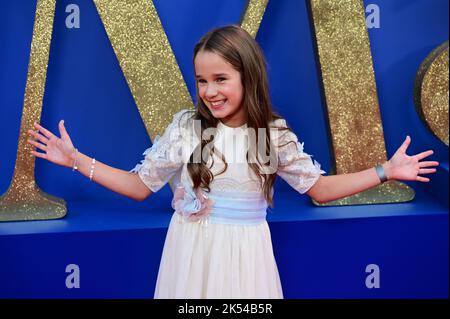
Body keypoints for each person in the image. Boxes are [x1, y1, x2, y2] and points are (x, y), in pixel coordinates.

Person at [26, 25, 439, 299]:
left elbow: (318, 189)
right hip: (188, 256)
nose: (209, 91)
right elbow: (139, 186)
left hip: (244, 261)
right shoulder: (188, 127)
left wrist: (385, 171)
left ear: (248, 77)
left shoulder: (267, 134)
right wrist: (77, 160)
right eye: (202, 80)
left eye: (221, 79)